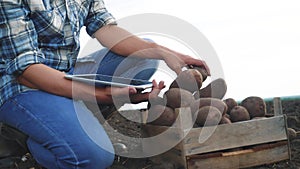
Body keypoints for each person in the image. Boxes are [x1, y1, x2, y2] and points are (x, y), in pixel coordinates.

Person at [0, 0, 210, 168]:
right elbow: (26, 72)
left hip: (67, 72)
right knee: (94, 159)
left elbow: (106, 29)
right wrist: (105, 95)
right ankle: (31, 140)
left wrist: (166, 53)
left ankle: (69, 118)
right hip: (23, 85)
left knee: (145, 55)